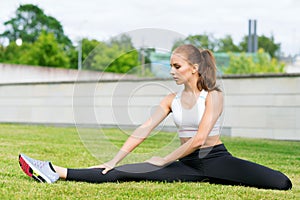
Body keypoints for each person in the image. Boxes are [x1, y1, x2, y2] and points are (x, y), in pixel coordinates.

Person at [19, 44, 292, 190]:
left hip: (216, 159)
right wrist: (115, 159)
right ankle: (54, 171)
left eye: (177, 66)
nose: (171, 71)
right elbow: (144, 129)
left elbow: (199, 139)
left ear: (194, 68)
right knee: (120, 173)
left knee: (282, 183)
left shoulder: (213, 96)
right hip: (185, 165)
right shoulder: (170, 100)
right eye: (170, 66)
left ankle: (219, 177)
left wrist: (164, 159)